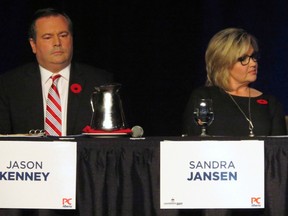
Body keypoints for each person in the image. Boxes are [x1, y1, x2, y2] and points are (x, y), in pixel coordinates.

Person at [0, 8, 113, 136]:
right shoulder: (9, 85)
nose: (57, 43)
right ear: (33, 45)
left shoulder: (100, 82)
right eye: (48, 37)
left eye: (63, 35)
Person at [183, 28, 287, 137]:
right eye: (243, 59)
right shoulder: (204, 98)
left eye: (253, 57)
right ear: (224, 63)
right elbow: (190, 145)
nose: (253, 63)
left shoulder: (270, 103)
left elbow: (278, 150)